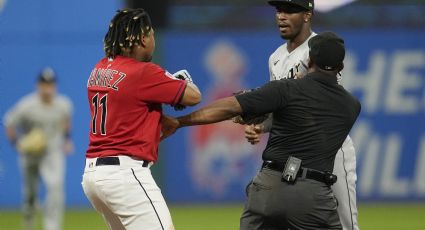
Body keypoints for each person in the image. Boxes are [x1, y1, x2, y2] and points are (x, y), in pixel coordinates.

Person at [162, 31, 361, 230]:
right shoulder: (351, 106)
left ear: (309, 60)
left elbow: (230, 107)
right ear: (341, 67)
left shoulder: (286, 89)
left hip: (269, 186)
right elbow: (307, 116)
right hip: (312, 192)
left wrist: (180, 121)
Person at [81, 8, 201, 230]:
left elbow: (127, 107)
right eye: (152, 34)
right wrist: (181, 82)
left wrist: (154, 116)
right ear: (143, 38)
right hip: (125, 174)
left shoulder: (99, 68)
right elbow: (194, 96)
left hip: (93, 175)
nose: (153, 39)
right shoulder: (144, 72)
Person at [243, 1, 359, 229]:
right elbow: (284, 110)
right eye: (279, 10)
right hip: (293, 153)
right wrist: (261, 126)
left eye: (289, 10)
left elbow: (326, 104)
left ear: (307, 15)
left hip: (329, 151)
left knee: (345, 221)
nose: (281, 16)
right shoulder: (275, 57)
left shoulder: (321, 50)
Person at [4, 67, 73, 230]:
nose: (47, 87)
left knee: (55, 188)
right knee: (30, 195)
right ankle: (28, 223)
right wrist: (17, 143)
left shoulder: (63, 104)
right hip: (30, 154)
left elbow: (66, 121)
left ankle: (52, 226)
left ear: (55, 85)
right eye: (44, 83)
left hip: (52, 152)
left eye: (50, 83)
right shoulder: (27, 105)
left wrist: (67, 140)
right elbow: (9, 122)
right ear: (38, 85)